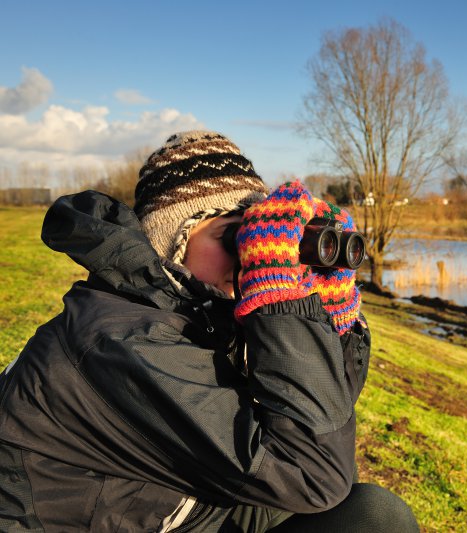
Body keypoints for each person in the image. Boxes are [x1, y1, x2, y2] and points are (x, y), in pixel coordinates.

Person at [0, 131, 418, 532]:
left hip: (167, 508)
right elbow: (312, 473)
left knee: (365, 514)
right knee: (373, 517)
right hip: (135, 520)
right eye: (235, 236)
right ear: (172, 245)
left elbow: (321, 423)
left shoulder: (191, 311)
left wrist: (332, 316)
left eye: (259, 233)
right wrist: (282, 301)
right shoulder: (122, 341)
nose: (253, 253)